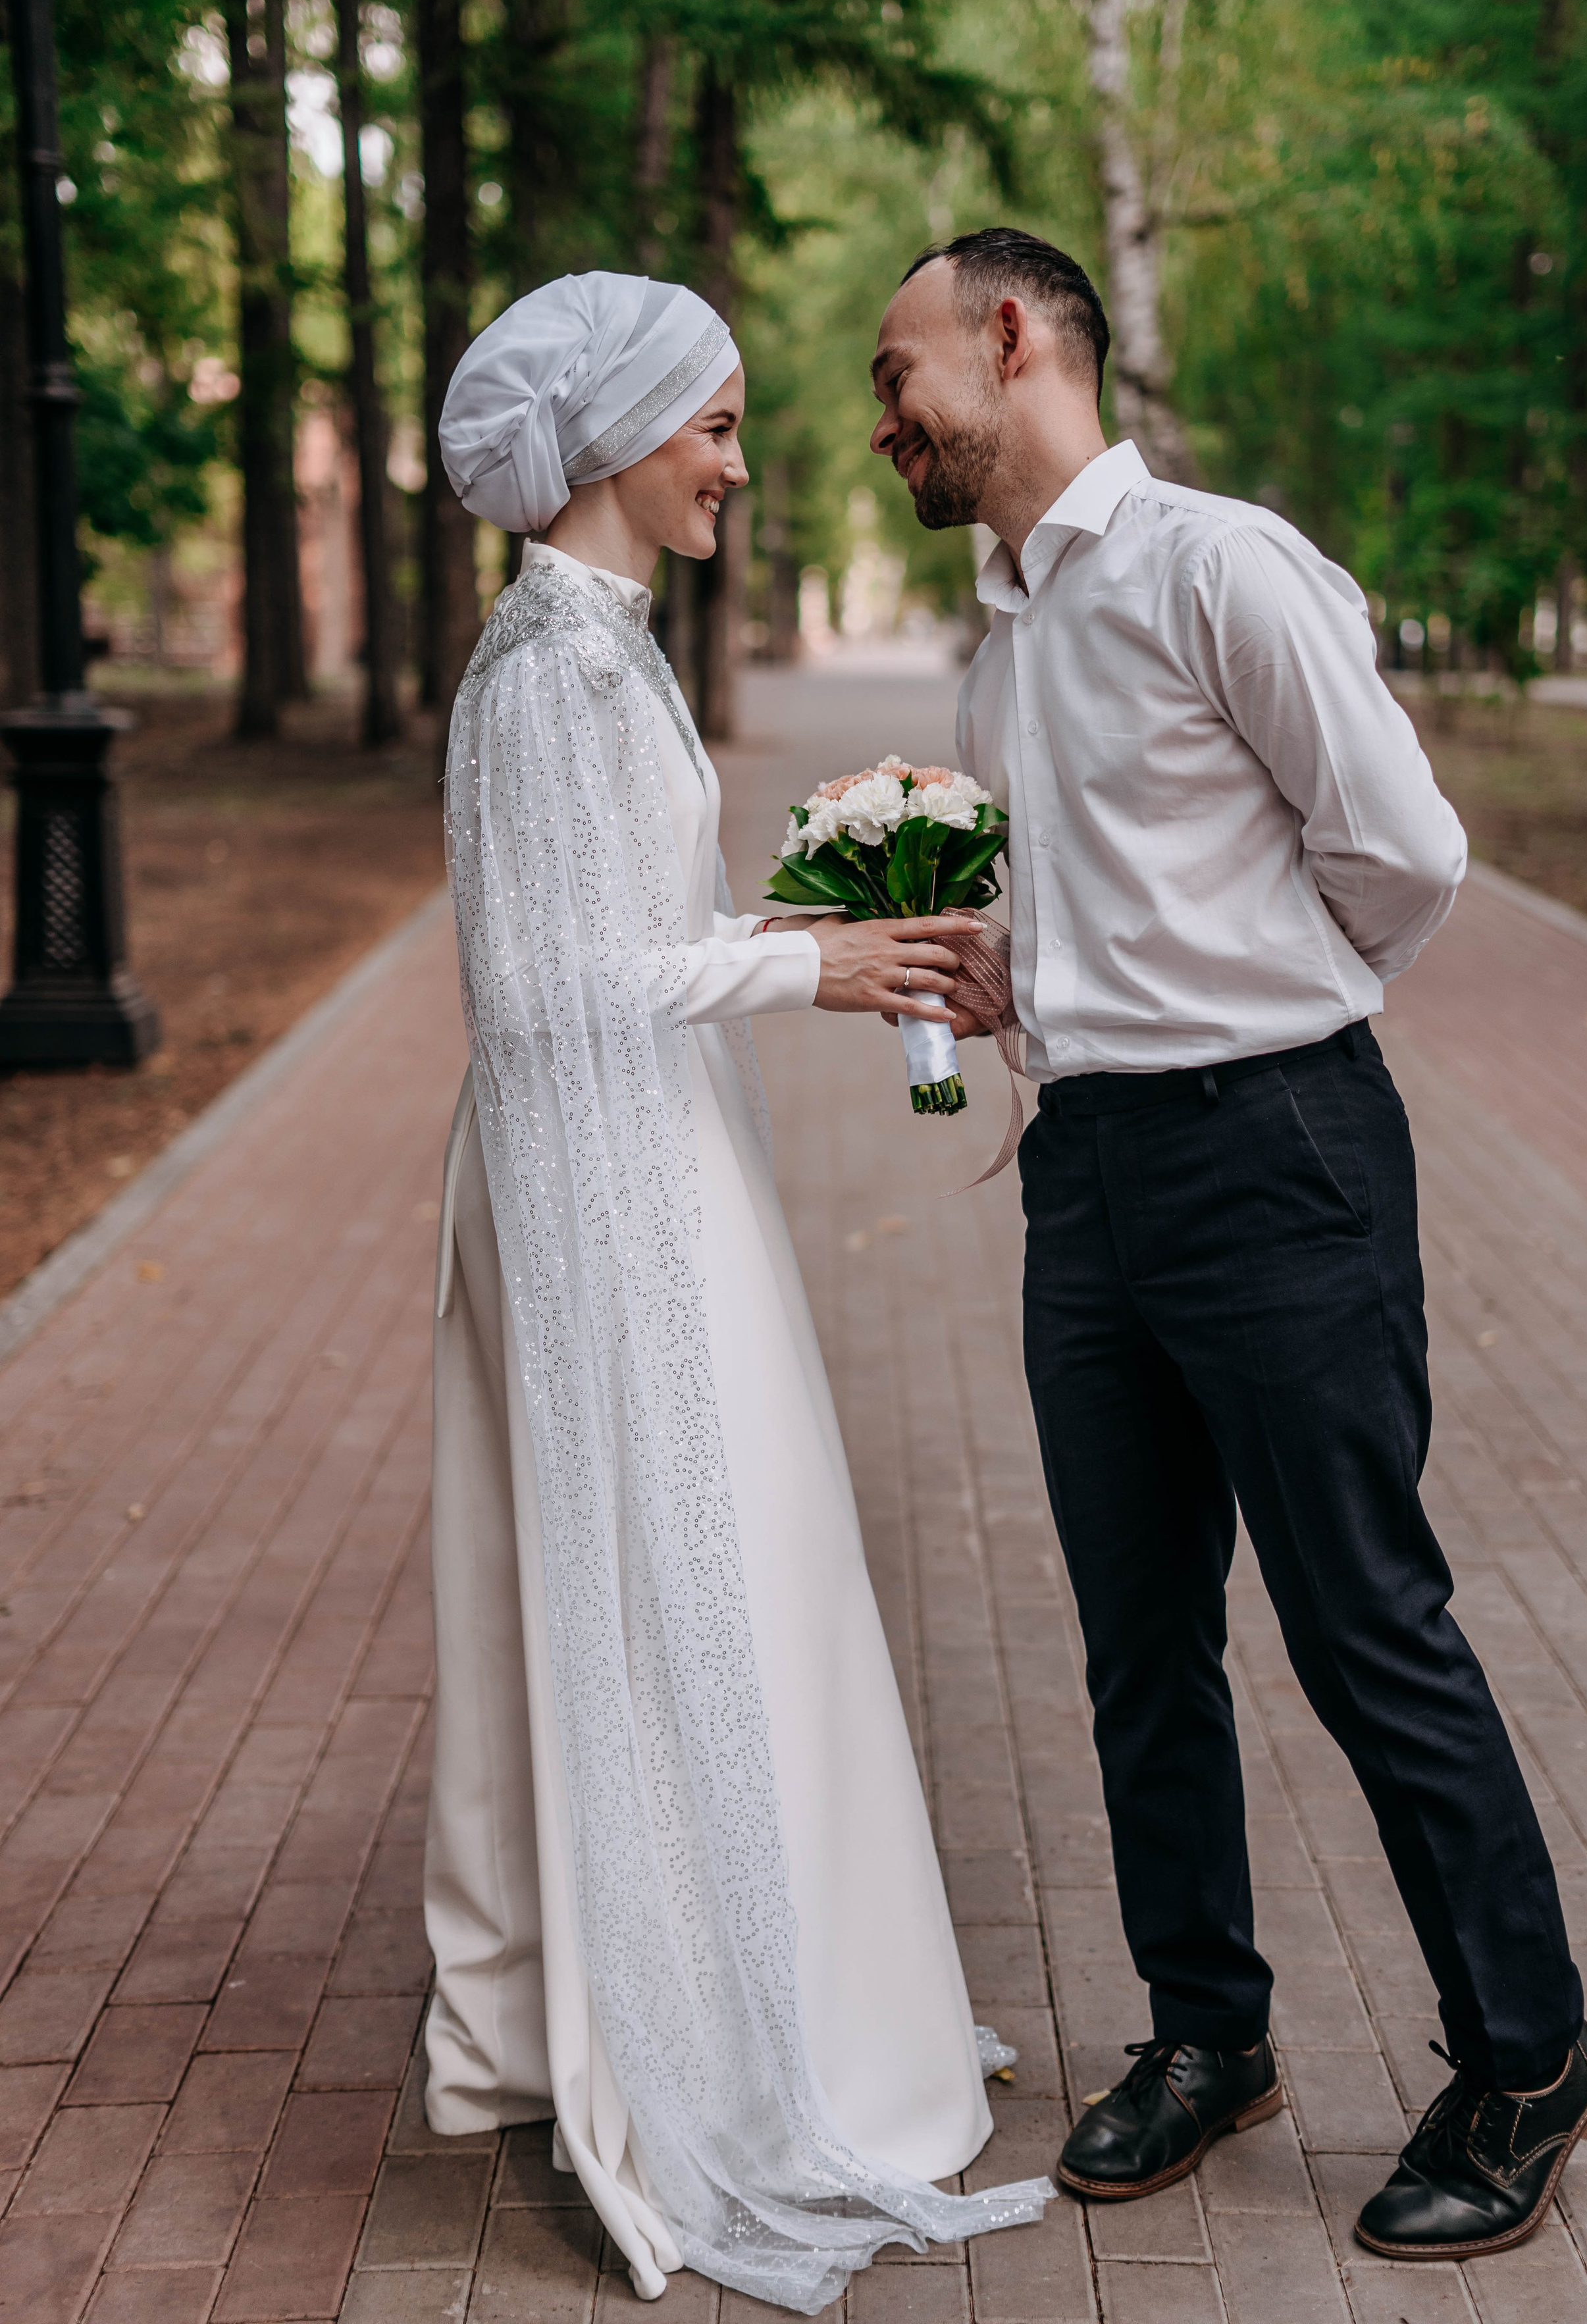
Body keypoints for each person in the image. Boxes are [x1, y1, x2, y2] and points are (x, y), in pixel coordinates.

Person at [868, 228, 1587, 2263]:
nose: (882, 420)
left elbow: (1410, 851)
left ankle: (1529, 2051)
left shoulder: (1217, 564)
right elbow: (1096, 909)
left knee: (1367, 1621)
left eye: (899, 367)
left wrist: (1261, 1024)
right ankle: (1211, 2032)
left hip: (1276, 1154)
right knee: (1138, 1647)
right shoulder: (1000, 640)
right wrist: (1020, 985)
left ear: (1011, 337)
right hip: (1087, 1180)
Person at [421, 271, 1051, 2312]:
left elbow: (619, 926)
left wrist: (785, 918)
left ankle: (797, 1981)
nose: (740, 462)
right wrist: (813, 970)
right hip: (606, 1188)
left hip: (664, 1159)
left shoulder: (605, 653)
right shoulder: (542, 673)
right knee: (682, 1575)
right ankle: (696, 2026)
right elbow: (530, 993)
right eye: (710, 426)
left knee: (756, 1567)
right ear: (607, 441)